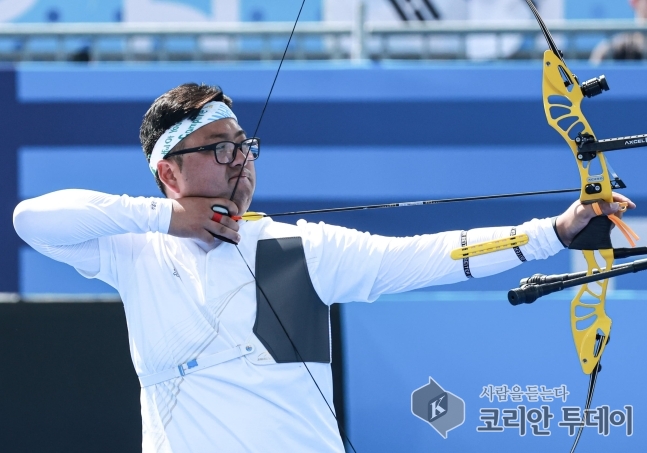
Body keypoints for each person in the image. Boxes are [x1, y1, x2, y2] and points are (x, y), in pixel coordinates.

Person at [13, 83, 633, 452]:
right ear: (168, 171)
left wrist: (552, 233)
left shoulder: (294, 248)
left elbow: (421, 257)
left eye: (245, 146)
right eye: (219, 148)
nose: (240, 162)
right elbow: (32, 219)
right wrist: (168, 218)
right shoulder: (134, 252)